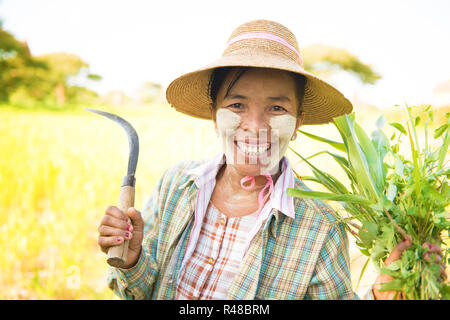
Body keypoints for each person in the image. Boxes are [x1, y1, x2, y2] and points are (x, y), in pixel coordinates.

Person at [97, 19, 444, 300]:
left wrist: (381, 296)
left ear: (298, 123)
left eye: (277, 108)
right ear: (214, 115)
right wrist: (131, 262)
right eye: (236, 105)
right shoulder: (176, 185)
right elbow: (140, 291)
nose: (255, 126)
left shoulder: (321, 226)